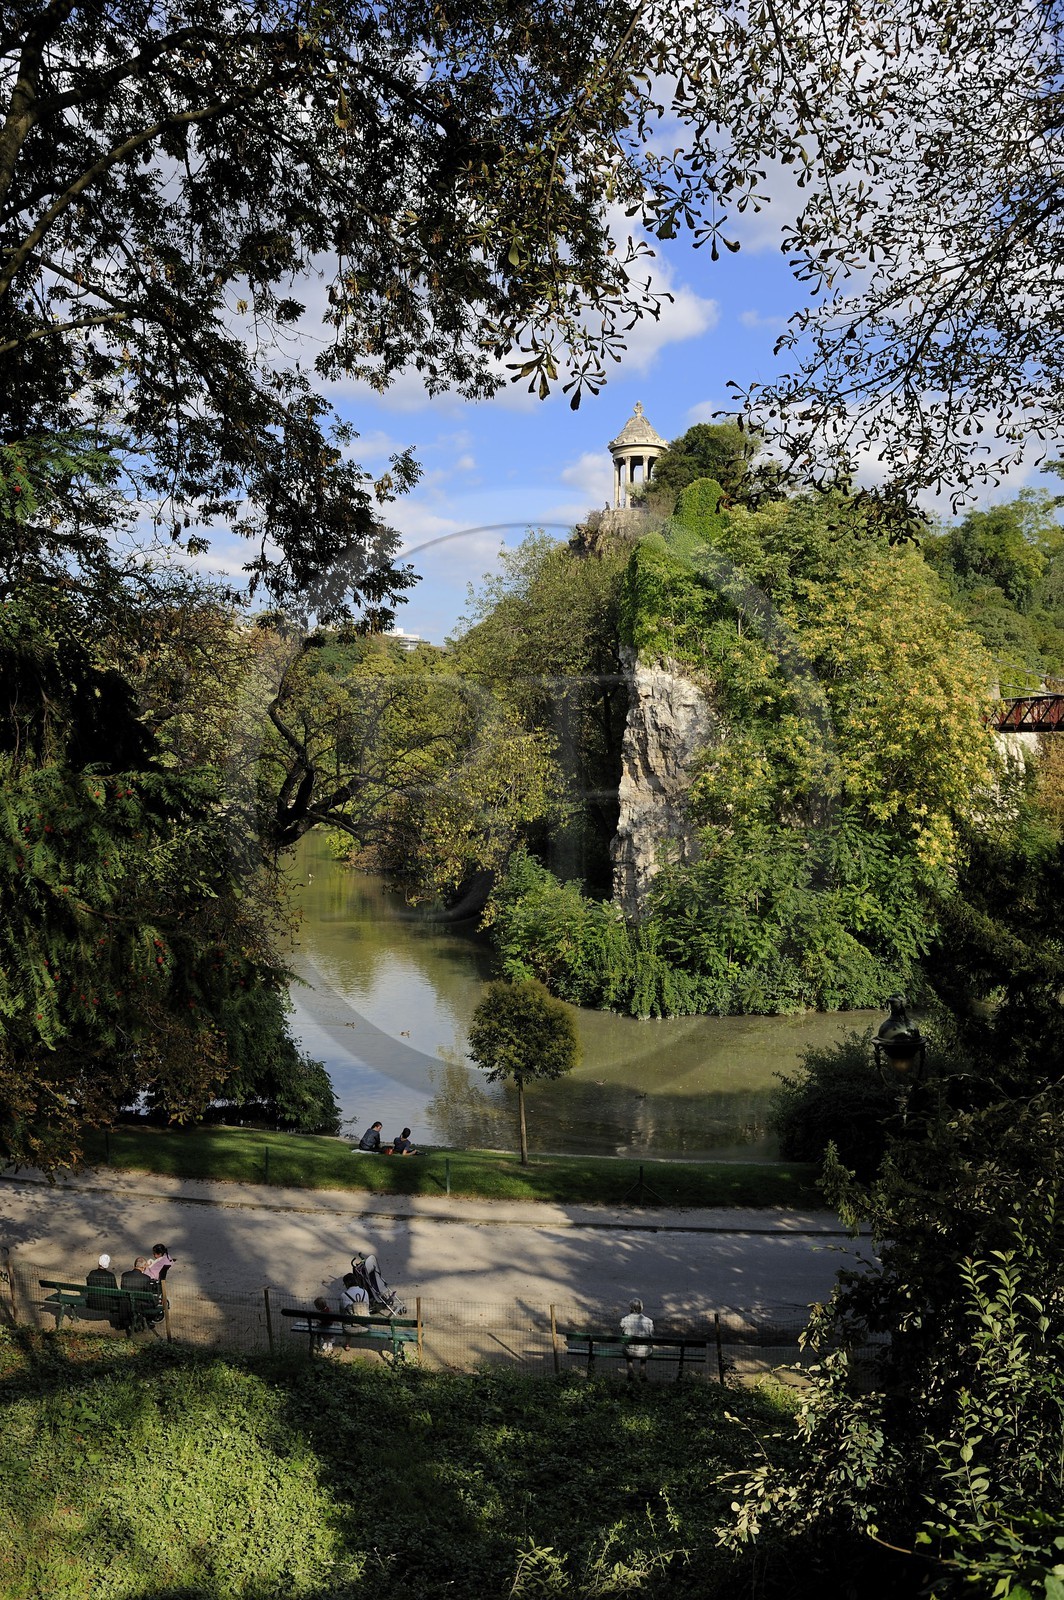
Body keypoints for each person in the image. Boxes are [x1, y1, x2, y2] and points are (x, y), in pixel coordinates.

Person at [620, 1298, 654, 1382]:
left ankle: (630, 1369)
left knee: (627, 1346)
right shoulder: (648, 1322)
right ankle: (642, 1369)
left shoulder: (625, 1320)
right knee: (645, 1347)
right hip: (644, 1352)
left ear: (630, 1308)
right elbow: (651, 1335)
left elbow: (622, 1331)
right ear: (641, 1308)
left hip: (629, 1351)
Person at [84, 1253, 117, 1319]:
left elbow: (88, 1286)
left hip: (92, 1302)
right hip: (107, 1304)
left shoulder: (92, 1273)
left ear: (99, 1263)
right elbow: (115, 1291)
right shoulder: (110, 1276)